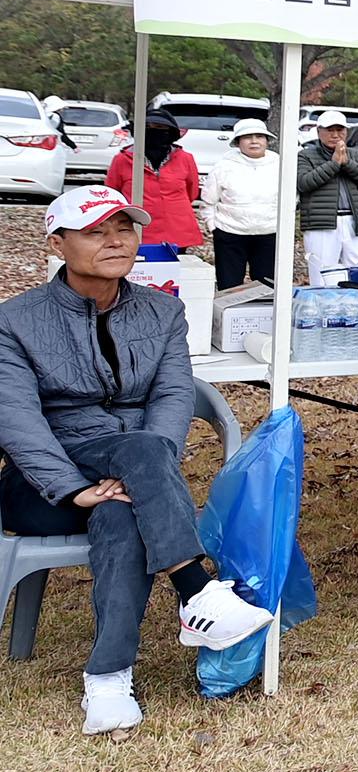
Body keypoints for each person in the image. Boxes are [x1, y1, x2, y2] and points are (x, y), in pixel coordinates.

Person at [0, 187, 273, 734]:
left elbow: (173, 397)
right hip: (44, 483)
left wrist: (148, 468)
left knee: (125, 506)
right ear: (57, 242)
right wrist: (72, 488)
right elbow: (16, 419)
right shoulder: (15, 320)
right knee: (135, 467)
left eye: (123, 228)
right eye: (95, 231)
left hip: (137, 476)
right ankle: (197, 591)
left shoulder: (163, 310)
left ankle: (107, 679)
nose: (114, 241)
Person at [296, 109, 358, 286]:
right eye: (330, 130)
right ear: (319, 132)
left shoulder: (356, 155)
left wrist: (346, 163)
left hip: (354, 222)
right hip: (321, 224)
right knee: (323, 275)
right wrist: (334, 164)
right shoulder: (306, 156)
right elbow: (304, 183)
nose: (335, 135)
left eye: (340, 130)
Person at [199, 118, 280, 289]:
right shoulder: (223, 166)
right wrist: (214, 227)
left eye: (259, 136)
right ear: (237, 142)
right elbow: (208, 200)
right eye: (247, 137)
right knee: (229, 285)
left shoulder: (280, 165)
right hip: (230, 233)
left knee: (267, 286)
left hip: (270, 233)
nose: (254, 141)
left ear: (267, 140)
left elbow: (291, 198)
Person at [106, 112, 204, 251]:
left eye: (159, 127)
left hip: (177, 229)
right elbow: (113, 193)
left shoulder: (185, 158)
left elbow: (192, 191)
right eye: (147, 127)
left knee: (177, 270)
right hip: (139, 229)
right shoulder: (122, 159)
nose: (153, 131)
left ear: (170, 132)